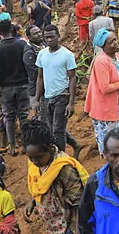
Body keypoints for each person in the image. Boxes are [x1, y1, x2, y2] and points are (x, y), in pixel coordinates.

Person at [23, 120, 88, 234]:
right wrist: (33, 202)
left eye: (38, 157)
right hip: (52, 225)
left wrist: (77, 229)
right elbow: (40, 185)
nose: (34, 161)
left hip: (67, 226)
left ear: (49, 148)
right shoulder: (35, 165)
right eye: (30, 158)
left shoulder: (64, 168)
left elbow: (78, 201)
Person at [84, 29, 119, 156]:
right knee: (110, 146)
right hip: (105, 110)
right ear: (103, 46)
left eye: (115, 39)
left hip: (117, 107)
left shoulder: (117, 56)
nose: (115, 43)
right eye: (111, 42)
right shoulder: (101, 61)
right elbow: (104, 88)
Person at [35, 24, 79, 156]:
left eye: (52, 37)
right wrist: (37, 99)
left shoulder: (67, 55)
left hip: (62, 95)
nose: (49, 40)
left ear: (58, 37)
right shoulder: (42, 54)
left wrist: (71, 103)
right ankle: (75, 145)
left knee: (58, 130)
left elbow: (72, 78)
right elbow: (40, 77)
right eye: (46, 37)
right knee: (50, 127)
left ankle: (60, 158)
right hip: (47, 96)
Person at [0, 21, 29, 156]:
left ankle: (12, 147)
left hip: (6, 88)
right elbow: (27, 64)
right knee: (24, 115)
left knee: (10, 117)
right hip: (23, 85)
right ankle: (25, 145)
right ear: (12, 30)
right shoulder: (22, 44)